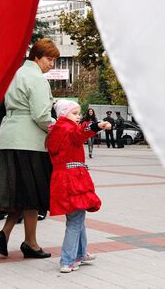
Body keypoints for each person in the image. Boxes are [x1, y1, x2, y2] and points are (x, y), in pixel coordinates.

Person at [0, 38, 60, 259]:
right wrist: (57, 130)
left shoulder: (16, 74)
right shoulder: (37, 78)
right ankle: (31, 243)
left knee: (21, 191)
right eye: (49, 59)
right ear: (36, 57)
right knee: (32, 194)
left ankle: (6, 232)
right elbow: (40, 115)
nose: (52, 64)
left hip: (10, 137)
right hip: (30, 141)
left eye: (54, 60)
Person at [46, 100, 110, 273]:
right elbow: (82, 132)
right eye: (74, 113)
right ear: (63, 114)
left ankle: (81, 253)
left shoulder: (55, 130)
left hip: (61, 178)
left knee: (77, 217)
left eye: (78, 113)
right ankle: (67, 260)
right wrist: (98, 125)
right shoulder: (69, 128)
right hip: (74, 178)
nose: (78, 116)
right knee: (75, 221)